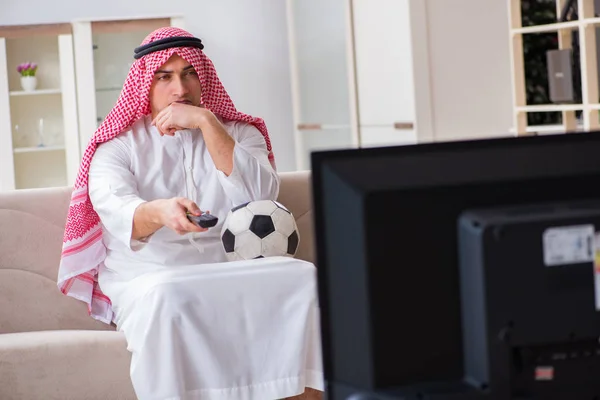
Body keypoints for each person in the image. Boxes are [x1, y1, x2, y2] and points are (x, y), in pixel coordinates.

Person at [56, 26, 323, 400]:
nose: (179, 89)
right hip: (150, 273)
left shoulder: (240, 133)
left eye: (189, 74)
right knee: (169, 293)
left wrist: (206, 122)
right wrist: (162, 212)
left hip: (229, 268)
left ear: (204, 78)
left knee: (305, 277)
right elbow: (118, 208)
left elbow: (261, 197)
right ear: (145, 84)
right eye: (164, 77)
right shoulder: (116, 146)